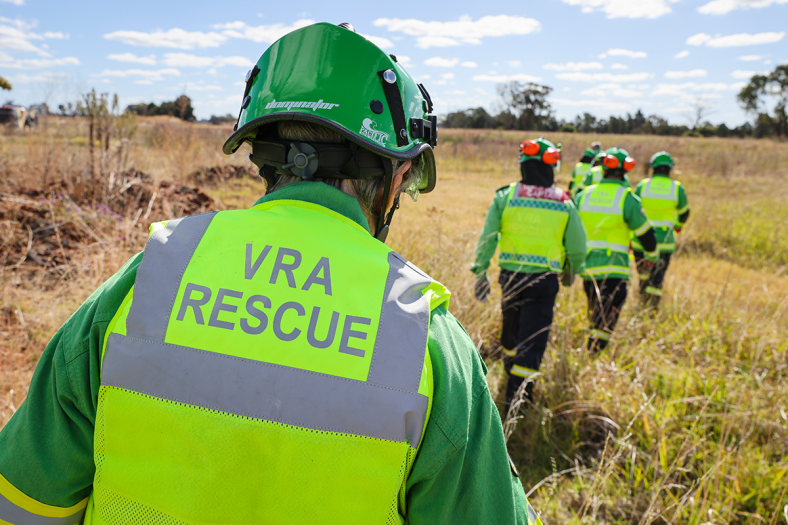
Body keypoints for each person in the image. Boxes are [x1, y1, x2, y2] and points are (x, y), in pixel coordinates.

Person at [0, 22, 542, 525]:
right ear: (396, 177)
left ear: (263, 156)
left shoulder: (148, 278)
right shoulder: (426, 339)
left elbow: (23, 497)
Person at [472, 137, 587, 413]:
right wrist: (571, 272)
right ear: (552, 166)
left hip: (510, 278)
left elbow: (488, 237)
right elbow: (578, 247)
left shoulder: (506, 196)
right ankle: (518, 399)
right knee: (532, 340)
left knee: (511, 332)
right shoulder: (564, 201)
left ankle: (511, 380)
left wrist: (480, 272)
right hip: (544, 283)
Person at [576, 147, 659, 353]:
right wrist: (652, 255)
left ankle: (591, 349)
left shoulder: (583, 196)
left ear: (602, 169)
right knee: (607, 316)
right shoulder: (628, 199)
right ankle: (594, 353)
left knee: (595, 310)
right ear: (625, 170)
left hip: (588, 269)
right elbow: (647, 236)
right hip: (615, 269)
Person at [632, 151, 690, 307]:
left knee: (643, 275)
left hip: (641, 241)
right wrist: (677, 227)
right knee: (657, 278)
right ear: (670, 168)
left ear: (653, 167)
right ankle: (652, 308)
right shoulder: (677, 188)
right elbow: (684, 213)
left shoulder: (642, 186)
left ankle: (641, 301)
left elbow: (633, 213)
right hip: (665, 242)